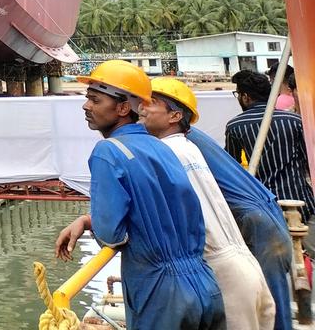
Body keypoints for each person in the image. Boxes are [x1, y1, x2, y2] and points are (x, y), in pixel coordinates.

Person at [55, 60, 225, 329]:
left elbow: (112, 234)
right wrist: (88, 220)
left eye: (95, 100)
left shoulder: (108, 152)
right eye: (88, 99)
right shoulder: (162, 147)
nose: (86, 106)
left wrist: (95, 224)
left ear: (123, 108)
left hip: (160, 294)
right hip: (205, 285)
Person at [142, 78, 274, 330]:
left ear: (175, 116)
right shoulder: (190, 148)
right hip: (246, 265)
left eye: (152, 102)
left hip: (223, 274)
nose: (143, 108)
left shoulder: (164, 153)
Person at [188, 115, 295, 329]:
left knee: (269, 309)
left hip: (256, 222)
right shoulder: (190, 138)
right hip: (265, 212)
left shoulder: (173, 143)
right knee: (271, 307)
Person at [226, 70, 315, 222]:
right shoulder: (293, 120)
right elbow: (309, 161)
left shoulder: (235, 126)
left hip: (264, 205)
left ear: (246, 97)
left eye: (238, 94)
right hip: (301, 201)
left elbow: (232, 167)